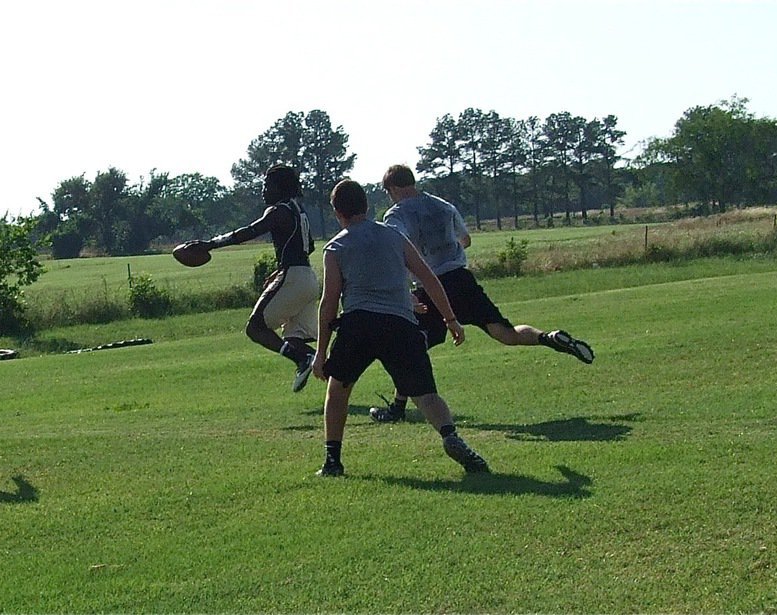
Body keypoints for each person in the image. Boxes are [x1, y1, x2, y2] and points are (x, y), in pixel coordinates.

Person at [369, 164, 595, 422]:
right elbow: (465, 240)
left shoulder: (396, 215)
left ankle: (397, 410)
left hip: (430, 287)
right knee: (506, 334)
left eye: (389, 192)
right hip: (462, 279)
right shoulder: (443, 206)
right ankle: (549, 338)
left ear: (395, 188)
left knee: (410, 349)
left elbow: (398, 249)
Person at [310, 179, 489, 477]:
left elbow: (328, 303)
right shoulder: (394, 236)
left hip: (358, 325)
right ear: (366, 206)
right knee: (426, 395)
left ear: (336, 212)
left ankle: (332, 461)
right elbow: (429, 278)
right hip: (400, 324)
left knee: (338, 391)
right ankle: (450, 436)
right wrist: (450, 319)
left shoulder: (336, 247)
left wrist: (320, 352)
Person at [182, 165, 320, 392]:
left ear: (280, 187)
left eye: (267, 185)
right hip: (308, 279)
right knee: (294, 341)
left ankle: (303, 361)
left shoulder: (278, 210)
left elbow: (248, 232)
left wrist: (210, 244)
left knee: (255, 328)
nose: (264, 191)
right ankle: (327, 366)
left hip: (294, 277)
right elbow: (310, 246)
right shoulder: (299, 210)